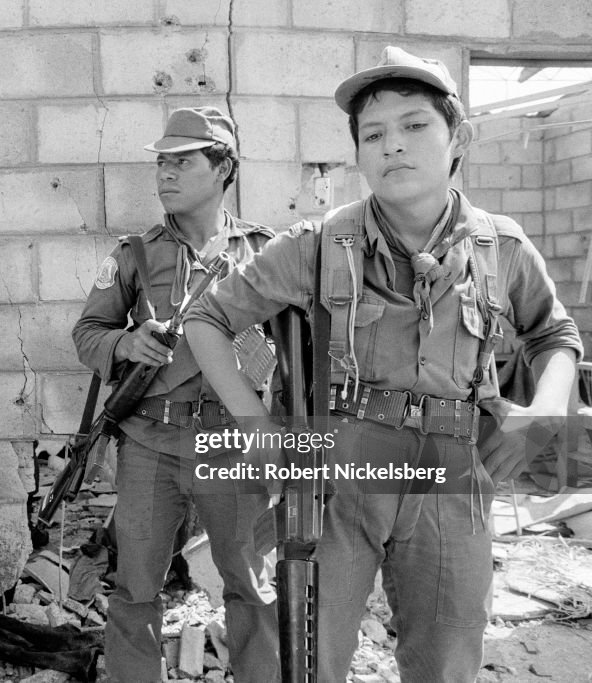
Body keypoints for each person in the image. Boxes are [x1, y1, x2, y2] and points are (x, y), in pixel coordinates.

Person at [184, 47, 582, 681]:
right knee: (314, 656)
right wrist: (255, 422)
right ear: (360, 154)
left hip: (456, 468)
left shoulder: (501, 247)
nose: (393, 145)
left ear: (460, 138)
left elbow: (554, 334)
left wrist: (546, 409)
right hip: (346, 466)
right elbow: (206, 318)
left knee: (447, 658)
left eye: (415, 125)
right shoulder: (316, 246)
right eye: (374, 134)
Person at [72, 107, 280, 683]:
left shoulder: (261, 252)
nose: (165, 172)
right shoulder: (134, 253)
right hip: (150, 440)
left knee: (249, 584)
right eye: (161, 162)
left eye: (181, 161)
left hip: (231, 444)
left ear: (222, 169)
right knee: (136, 584)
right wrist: (124, 343)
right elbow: (86, 335)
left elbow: (295, 352)